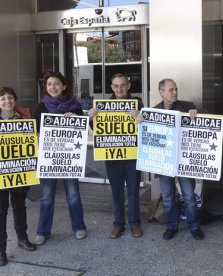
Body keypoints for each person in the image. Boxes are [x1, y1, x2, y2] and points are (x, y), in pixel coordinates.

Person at [138, 78, 204, 241]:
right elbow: (145, 135)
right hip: (164, 161)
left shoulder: (188, 106)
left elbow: (205, 118)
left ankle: (194, 226)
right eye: (170, 90)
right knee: (167, 197)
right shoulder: (152, 112)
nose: (175, 92)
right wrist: (139, 122)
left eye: (175, 89)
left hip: (183, 160)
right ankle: (171, 226)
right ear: (161, 92)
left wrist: (197, 114)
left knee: (189, 195)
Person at [33, 72, 87, 245]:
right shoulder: (41, 107)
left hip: (69, 160)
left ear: (64, 86)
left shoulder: (75, 106)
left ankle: (79, 227)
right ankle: (43, 231)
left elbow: (83, 130)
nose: (53, 87)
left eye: (56, 83)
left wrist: (77, 119)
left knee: (73, 195)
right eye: (49, 84)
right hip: (49, 159)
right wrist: (38, 136)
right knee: (47, 197)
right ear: (46, 88)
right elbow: (34, 132)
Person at [88, 73, 144, 239]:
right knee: (116, 192)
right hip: (112, 156)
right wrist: (91, 117)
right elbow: (96, 128)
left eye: (123, 85)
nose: (119, 89)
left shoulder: (138, 103)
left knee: (133, 192)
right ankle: (118, 224)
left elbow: (145, 125)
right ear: (112, 88)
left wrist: (141, 118)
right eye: (116, 86)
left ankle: (135, 224)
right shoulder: (103, 106)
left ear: (129, 86)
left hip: (132, 156)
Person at [0, 87, 37, 266]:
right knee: (0, 212)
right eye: (3, 99)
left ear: (15, 100)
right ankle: (1, 250)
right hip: (1, 173)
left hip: (21, 170)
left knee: (19, 206)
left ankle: (22, 239)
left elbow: (33, 142)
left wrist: (36, 137)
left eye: (10, 98)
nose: (7, 101)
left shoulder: (25, 119)